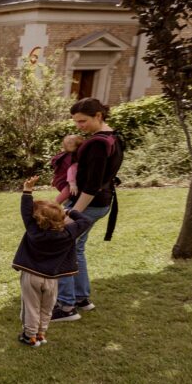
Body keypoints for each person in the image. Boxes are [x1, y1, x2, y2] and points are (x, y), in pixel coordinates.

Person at [53, 98, 125, 322]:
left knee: (63, 247)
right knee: (77, 248)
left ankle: (66, 307)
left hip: (88, 203)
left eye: (83, 121)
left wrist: (71, 213)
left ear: (98, 116)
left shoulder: (96, 144)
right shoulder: (115, 136)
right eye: (76, 122)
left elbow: (92, 185)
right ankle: (81, 298)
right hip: (101, 203)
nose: (79, 127)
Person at [13, 175, 93, 346]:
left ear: (37, 220)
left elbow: (26, 213)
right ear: (61, 218)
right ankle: (41, 334)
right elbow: (85, 220)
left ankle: (29, 336)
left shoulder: (34, 232)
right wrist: (69, 211)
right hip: (52, 278)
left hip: (31, 277)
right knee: (47, 307)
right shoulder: (69, 232)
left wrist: (27, 191)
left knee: (31, 306)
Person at [50, 134, 83, 205]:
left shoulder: (65, 155)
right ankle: (53, 205)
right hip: (64, 180)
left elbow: (57, 168)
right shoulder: (73, 157)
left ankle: (66, 201)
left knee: (70, 193)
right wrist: (72, 184)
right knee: (67, 192)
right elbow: (71, 170)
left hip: (60, 179)